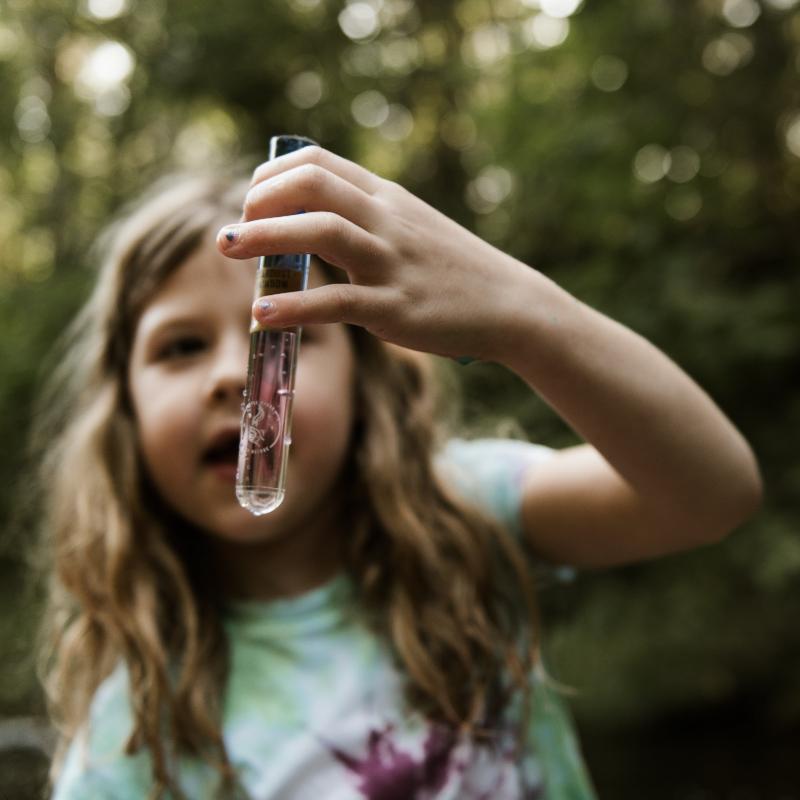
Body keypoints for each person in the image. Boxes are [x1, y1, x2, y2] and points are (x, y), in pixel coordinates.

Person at [39, 146, 762, 800]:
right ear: (123, 411)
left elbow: (712, 494)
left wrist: (523, 316)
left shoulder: (468, 513)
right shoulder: (128, 741)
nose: (236, 376)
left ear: (367, 382)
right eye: (182, 346)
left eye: (286, 335)